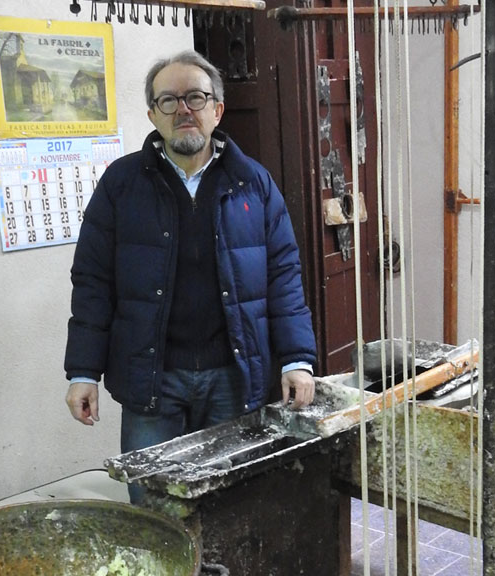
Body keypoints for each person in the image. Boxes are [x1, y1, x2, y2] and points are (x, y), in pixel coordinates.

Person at [63, 50, 317, 500]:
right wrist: (83, 370)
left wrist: (297, 359)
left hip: (232, 378)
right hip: (152, 380)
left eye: (196, 98)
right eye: (169, 100)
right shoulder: (121, 185)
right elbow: (92, 281)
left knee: (231, 503)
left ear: (217, 111)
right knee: (153, 506)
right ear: (152, 115)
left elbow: (283, 276)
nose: (183, 109)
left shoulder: (253, 184)